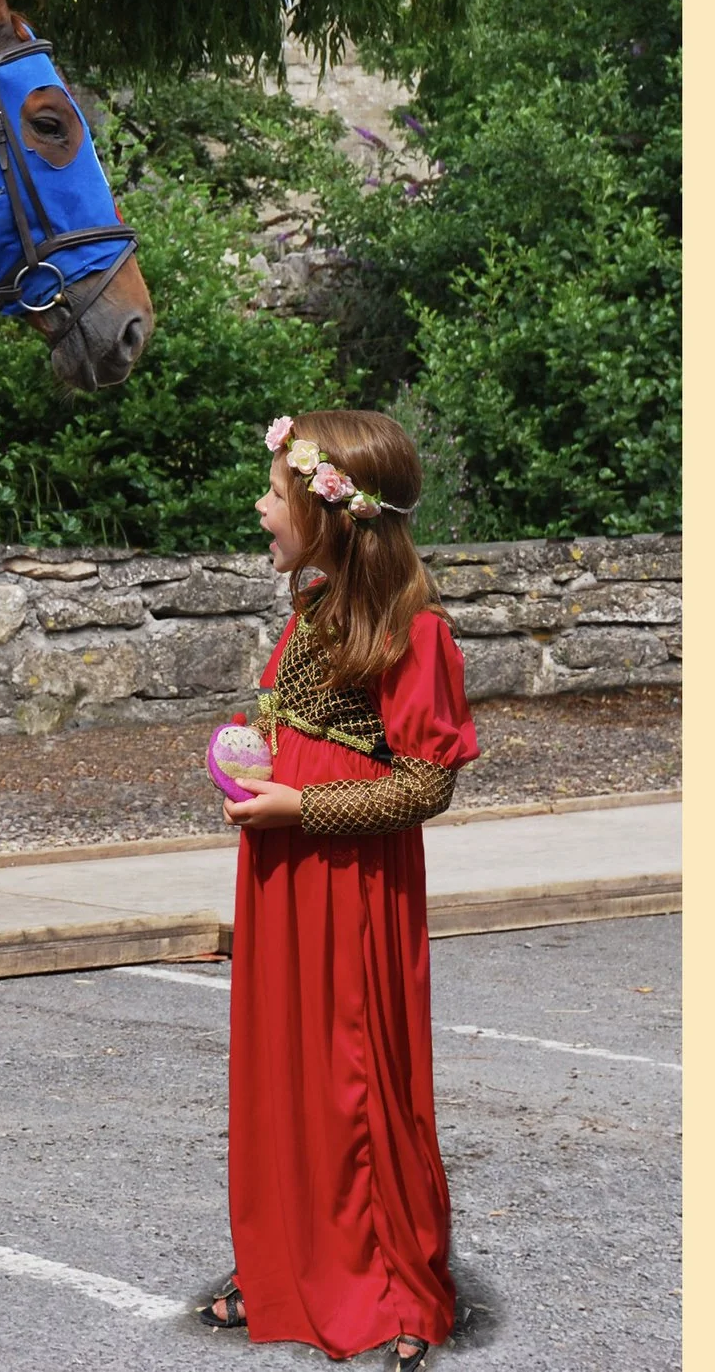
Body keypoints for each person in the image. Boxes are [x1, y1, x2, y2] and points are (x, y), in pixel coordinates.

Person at [199, 409, 477, 1368]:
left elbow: (424, 781)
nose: (261, 508)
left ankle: (389, 1286)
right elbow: (314, 737)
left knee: (355, 1078)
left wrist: (300, 806)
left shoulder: (416, 632)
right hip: (286, 882)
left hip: (348, 893)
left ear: (333, 513)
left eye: (275, 494)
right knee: (287, 1072)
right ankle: (286, 1263)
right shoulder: (313, 613)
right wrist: (255, 758)